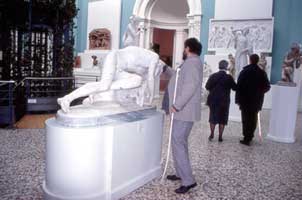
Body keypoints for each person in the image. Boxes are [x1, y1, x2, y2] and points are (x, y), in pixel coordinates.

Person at [166, 38, 203, 194]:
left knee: (178, 141)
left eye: (184, 47)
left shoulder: (192, 63)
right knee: (179, 142)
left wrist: (177, 105)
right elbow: (179, 78)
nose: (183, 50)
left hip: (184, 111)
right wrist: (165, 69)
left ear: (188, 48)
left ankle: (188, 181)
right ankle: (181, 173)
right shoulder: (191, 62)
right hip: (183, 111)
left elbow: (190, 86)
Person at [235, 54, 270, 146]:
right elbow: (267, 86)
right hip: (256, 100)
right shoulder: (262, 72)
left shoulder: (245, 71)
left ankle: (246, 137)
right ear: (257, 61)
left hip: (245, 100)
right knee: (253, 118)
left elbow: (239, 86)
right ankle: (250, 136)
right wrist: (260, 93)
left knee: (246, 118)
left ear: (250, 60)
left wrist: (238, 99)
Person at [205, 60, 236, 142]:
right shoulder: (229, 77)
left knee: (212, 117)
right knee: (223, 118)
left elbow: (207, 87)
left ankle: (211, 134)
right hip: (224, 101)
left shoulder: (213, 76)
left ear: (219, 66)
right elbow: (235, 88)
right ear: (226, 67)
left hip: (213, 100)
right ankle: (220, 136)